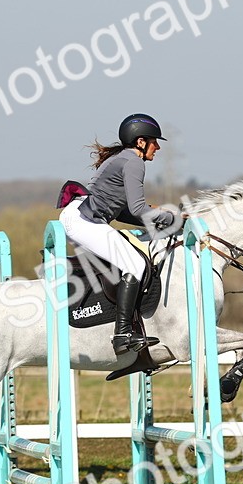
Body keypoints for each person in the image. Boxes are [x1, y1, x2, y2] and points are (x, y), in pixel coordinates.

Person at [59, 113, 180, 355]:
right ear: (140, 142)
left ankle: (126, 329)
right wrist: (170, 218)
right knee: (135, 264)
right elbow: (138, 208)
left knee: (132, 261)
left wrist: (155, 222)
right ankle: (122, 333)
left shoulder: (123, 159)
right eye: (154, 141)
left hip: (81, 217)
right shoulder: (134, 162)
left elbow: (123, 213)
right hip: (83, 220)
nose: (157, 147)